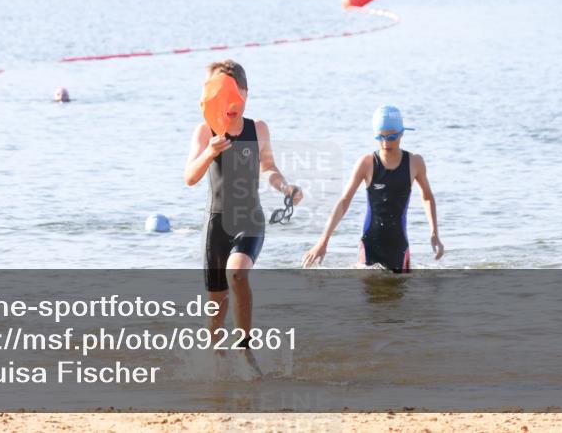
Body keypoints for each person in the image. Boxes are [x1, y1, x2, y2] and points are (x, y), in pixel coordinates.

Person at [184, 59, 302, 375]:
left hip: (250, 219)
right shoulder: (205, 131)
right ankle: (216, 362)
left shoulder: (257, 129)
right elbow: (189, 177)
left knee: (237, 274)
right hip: (216, 224)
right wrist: (210, 150)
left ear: (245, 94)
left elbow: (269, 167)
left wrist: (285, 186)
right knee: (216, 304)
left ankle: (245, 351)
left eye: (233, 94)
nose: (228, 104)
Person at [303, 105, 443, 273]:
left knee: (401, 297)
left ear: (401, 133)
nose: (385, 143)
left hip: (399, 247)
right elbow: (344, 200)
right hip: (370, 245)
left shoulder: (415, 163)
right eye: (380, 137)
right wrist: (323, 242)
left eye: (391, 137)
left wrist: (434, 233)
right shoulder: (367, 163)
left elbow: (427, 197)